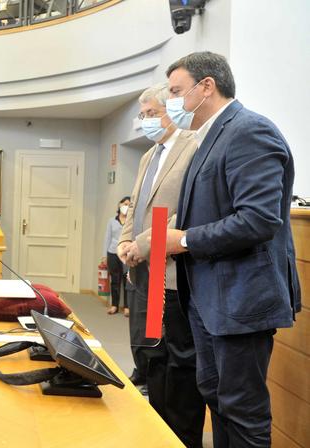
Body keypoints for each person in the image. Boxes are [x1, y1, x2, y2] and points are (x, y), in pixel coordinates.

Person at [164, 51, 301, 448]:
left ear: (207, 86)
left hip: (242, 300)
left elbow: (258, 219)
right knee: (218, 399)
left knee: (243, 409)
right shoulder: (211, 136)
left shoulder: (249, 130)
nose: (173, 100)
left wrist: (186, 240)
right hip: (209, 300)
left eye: (177, 91)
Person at [117, 82, 204, 447]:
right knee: (151, 354)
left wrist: (143, 244)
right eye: (144, 115)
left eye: (154, 113)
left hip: (172, 273)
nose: (147, 121)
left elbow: (189, 212)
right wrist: (125, 240)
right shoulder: (147, 156)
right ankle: (155, 433)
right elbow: (135, 206)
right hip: (145, 275)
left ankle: (181, 439)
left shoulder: (195, 147)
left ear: (174, 111)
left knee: (180, 363)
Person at [102, 196, 130, 315]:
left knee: (127, 280)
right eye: (124, 203)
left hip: (126, 253)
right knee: (115, 280)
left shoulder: (131, 221)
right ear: (120, 205)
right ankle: (114, 305)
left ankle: (127, 307)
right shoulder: (111, 221)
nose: (126, 206)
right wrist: (104, 255)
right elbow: (107, 238)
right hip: (113, 253)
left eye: (129, 204)